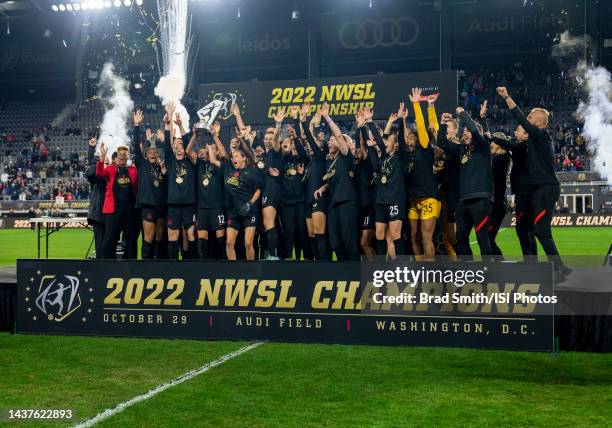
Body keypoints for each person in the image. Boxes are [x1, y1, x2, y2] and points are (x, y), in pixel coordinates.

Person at [497, 87, 571, 279]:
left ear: (540, 123)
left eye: (531, 117)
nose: (527, 118)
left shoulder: (541, 135)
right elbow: (515, 144)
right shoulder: (533, 141)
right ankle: (559, 268)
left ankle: (559, 269)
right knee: (538, 230)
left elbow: (520, 120)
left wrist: (506, 97)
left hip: (547, 188)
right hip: (539, 189)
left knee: (540, 230)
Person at [437, 108, 493, 258]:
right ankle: (467, 269)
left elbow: (475, 130)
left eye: (467, 130)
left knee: (482, 238)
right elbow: (442, 142)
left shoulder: (483, 147)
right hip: (463, 200)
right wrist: (442, 123)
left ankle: (487, 271)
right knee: (460, 238)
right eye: (464, 131)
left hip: (480, 198)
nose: (465, 133)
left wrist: (462, 114)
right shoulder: (461, 149)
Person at [314, 103, 360, 261]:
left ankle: (355, 274)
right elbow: (333, 180)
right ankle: (343, 274)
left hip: (347, 202)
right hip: (334, 205)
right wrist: (324, 187)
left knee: (350, 243)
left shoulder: (346, 157)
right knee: (335, 243)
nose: (334, 141)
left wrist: (327, 118)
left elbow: (339, 136)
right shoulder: (332, 162)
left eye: (339, 141)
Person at [362, 105, 407, 258]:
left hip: (395, 199)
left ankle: (402, 269)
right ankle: (382, 269)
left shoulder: (400, 158)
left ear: (395, 144)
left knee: (395, 234)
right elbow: (376, 143)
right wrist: (366, 123)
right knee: (380, 235)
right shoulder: (383, 158)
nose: (384, 141)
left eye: (388, 140)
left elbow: (400, 137)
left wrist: (400, 119)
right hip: (381, 200)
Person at [406, 89, 442, 260]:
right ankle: (420, 268)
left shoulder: (425, 146)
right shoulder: (410, 154)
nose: (410, 140)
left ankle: (430, 271)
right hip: (413, 199)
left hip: (428, 196)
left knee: (426, 237)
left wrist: (417, 105)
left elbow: (423, 126)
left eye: (413, 138)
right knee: (413, 237)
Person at [186, 122, 227, 259]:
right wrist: (195, 135)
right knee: (202, 239)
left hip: (217, 206)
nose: (208, 150)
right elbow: (188, 151)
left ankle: (222, 265)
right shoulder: (199, 164)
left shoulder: (220, 165)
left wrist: (215, 137)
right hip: (202, 208)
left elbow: (223, 153)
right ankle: (203, 266)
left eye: (211, 149)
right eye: (205, 150)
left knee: (220, 238)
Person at [163, 102, 197, 260]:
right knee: (172, 237)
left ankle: (191, 266)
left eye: (181, 145)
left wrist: (181, 126)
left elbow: (187, 141)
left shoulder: (190, 161)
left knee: (190, 236)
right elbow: (166, 145)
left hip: (189, 204)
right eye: (175, 145)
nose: (178, 147)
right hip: (173, 206)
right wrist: (168, 120)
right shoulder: (170, 161)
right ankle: (172, 267)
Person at [132, 110, 167, 259]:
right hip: (147, 206)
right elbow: (135, 145)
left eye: (155, 151)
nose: (153, 153)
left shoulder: (161, 168)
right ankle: (145, 268)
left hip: (161, 206)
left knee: (160, 238)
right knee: (149, 237)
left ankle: (158, 267)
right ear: (145, 156)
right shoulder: (142, 164)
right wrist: (136, 126)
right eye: (150, 152)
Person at [96, 142, 138, 259]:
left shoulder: (133, 170)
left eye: (125, 154)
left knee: (131, 238)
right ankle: (105, 265)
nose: (122, 156)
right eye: (120, 154)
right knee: (109, 238)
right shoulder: (110, 169)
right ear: (116, 158)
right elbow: (99, 173)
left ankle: (131, 265)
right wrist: (102, 157)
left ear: (128, 157)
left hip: (130, 209)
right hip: (113, 210)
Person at [223, 148, 263, 260]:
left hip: (249, 211)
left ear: (244, 158)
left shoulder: (253, 171)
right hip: (233, 212)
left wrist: (249, 204)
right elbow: (222, 154)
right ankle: (234, 270)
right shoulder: (229, 171)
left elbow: (259, 189)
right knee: (229, 243)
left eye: (236, 156)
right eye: (232, 157)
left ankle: (250, 270)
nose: (233, 159)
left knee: (248, 243)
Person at [85, 137, 105, 258]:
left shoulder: (113, 174)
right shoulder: (96, 177)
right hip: (98, 215)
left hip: (112, 215)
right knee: (100, 246)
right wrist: (92, 150)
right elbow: (91, 173)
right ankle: (100, 270)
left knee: (111, 245)